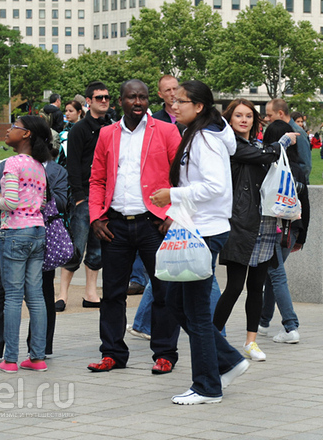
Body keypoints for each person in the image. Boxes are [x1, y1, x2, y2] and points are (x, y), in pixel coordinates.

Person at [149, 80, 249, 405]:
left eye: (181, 101)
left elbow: (215, 187)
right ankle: (228, 361)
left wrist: (172, 195)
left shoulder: (205, 138)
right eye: (173, 100)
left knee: (195, 311)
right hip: (196, 228)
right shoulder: (199, 133)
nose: (174, 106)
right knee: (178, 304)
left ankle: (207, 386)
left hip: (206, 231)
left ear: (199, 107)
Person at [86, 79, 182, 375]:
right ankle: (113, 352)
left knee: (164, 291)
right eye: (131, 97)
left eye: (142, 97)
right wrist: (95, 217)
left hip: (154, 225)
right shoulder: (107, 134)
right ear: (121, 101)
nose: (137, 102)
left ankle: (165, 353)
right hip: (114, 225)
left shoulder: (165, 130)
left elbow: (181, 175)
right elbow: (97, 178)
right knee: (112, 293)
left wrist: (172, 214)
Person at [215, 99, 297, 361]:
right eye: (238, 115)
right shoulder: (232, 146)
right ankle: (213, 336)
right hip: (241, 224)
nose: (243, 120)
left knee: (257, 285)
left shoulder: (259, 145)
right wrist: (281, 143)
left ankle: (251, 342)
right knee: (235, 286)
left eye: (248, 116)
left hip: (266, 221)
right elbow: (259, 156)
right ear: (230, 119)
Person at [0, 143, 68, 367]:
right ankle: (4, 351)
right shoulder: (23, 165)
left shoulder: (21, 164)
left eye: (16, 128)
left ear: (28, 136)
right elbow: (9, 195)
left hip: (21, 232)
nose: (8, 133)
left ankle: (16, 358)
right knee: (10, 291)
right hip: (34, 231)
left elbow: (13, 201)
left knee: (20, 296)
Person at [56, 82, 112, 311]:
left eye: (107, 97)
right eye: (99, 97)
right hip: (84, 195)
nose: (104, 101)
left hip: (105, 196)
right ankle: (62, 294)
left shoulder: (112, 126)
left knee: (97, 246)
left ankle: (91, 293)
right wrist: (79, 196)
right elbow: (73, 164)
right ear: (88, 101)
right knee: (75, 245)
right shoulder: (78, 129)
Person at [258, 120, 309, 344]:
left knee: (276, 275)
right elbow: (305, 204)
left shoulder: (264, 167)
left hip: (271, 229)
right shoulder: (297, 169)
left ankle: (290, 326)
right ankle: (263, 320)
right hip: (292, 231)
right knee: (273, 276)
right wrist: (302, 236)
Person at [265, 98, 312, 179]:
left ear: (280, 113)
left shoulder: (297, 133)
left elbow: (305, 165)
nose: (267, 119)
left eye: (270, 115)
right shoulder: (277, 129)